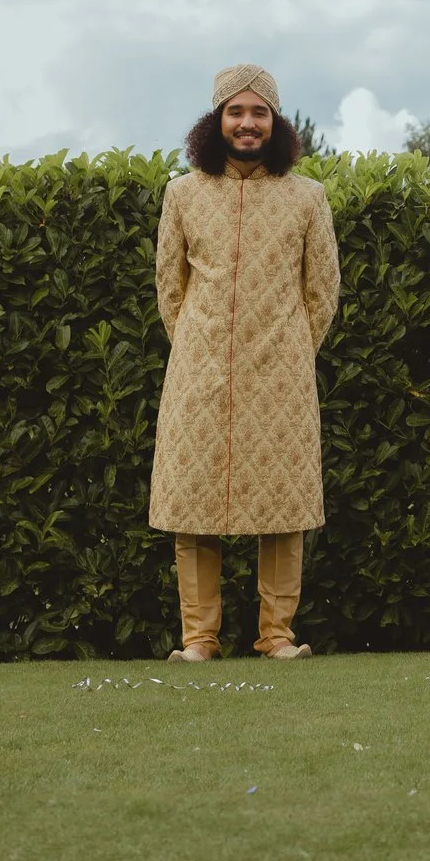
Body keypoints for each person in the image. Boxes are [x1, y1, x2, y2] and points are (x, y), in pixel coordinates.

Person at [150, 64, 340, 661]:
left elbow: (322, 291)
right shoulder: (182, 194)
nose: (248, 123)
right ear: (217, 120)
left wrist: (288, 349)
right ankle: (198, 640)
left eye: (260, 112)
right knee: (194, 505)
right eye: (236, 111)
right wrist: (200, 346)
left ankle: (276, 637)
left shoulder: (307, 197)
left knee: (283, 509)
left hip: (282, 374)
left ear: (275, 122)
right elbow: (169, 289)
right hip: (198, 374)